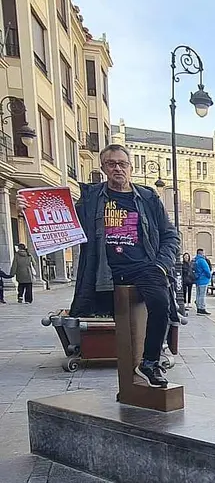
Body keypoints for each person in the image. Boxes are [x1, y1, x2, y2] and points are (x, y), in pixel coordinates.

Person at [18, 144, 179, 387]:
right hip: (105, 271)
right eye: (111, 164)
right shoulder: (91, 198)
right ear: (103, 168)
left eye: (122, 164)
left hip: (145, 267)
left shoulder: (147, 198)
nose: (117, 168)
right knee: (119, 329)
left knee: (161, 303)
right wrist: (28, 211)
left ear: (130, 168)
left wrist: (161, 266)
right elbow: (60, 220)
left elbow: (170, 236)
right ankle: (128, 387)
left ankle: (150, 363)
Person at [193, 248, 212, 315]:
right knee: (202, 295)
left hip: (198, 279)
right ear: (202, 253)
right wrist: (209, 276)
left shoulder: (195, 260)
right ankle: (202, 308)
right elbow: (207, 270)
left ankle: (198, 307)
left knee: (198, 294)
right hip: (203, 279)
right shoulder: (202, 260)